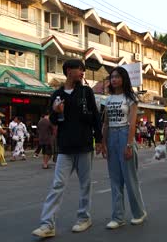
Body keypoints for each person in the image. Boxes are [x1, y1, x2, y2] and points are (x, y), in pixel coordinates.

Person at [32, 59, 102, 238]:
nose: (82, 72)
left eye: (83, 70)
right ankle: (47, 224)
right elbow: (53, 122)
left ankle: (84, 218)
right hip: (64, 147)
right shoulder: (57, 94)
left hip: (85, 145)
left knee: (85, 184)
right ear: (68, 71)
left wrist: (99, 139)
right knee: (57, 185)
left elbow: (95, 116)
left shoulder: (86, 92)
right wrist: (56, 111)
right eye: (79, 69)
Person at [101, 66, 147, 229]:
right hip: (111, 136)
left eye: (118, 77)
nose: (114, 79)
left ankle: (139, 213)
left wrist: (129, 144)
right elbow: (105, 123)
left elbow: (132, 122)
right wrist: (103, 143)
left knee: (129, 178)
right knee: (115, 180)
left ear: (124, 79)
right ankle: (118, 217)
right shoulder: (108, 99)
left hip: (124, 134)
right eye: (112, 77)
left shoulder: (130, 98)